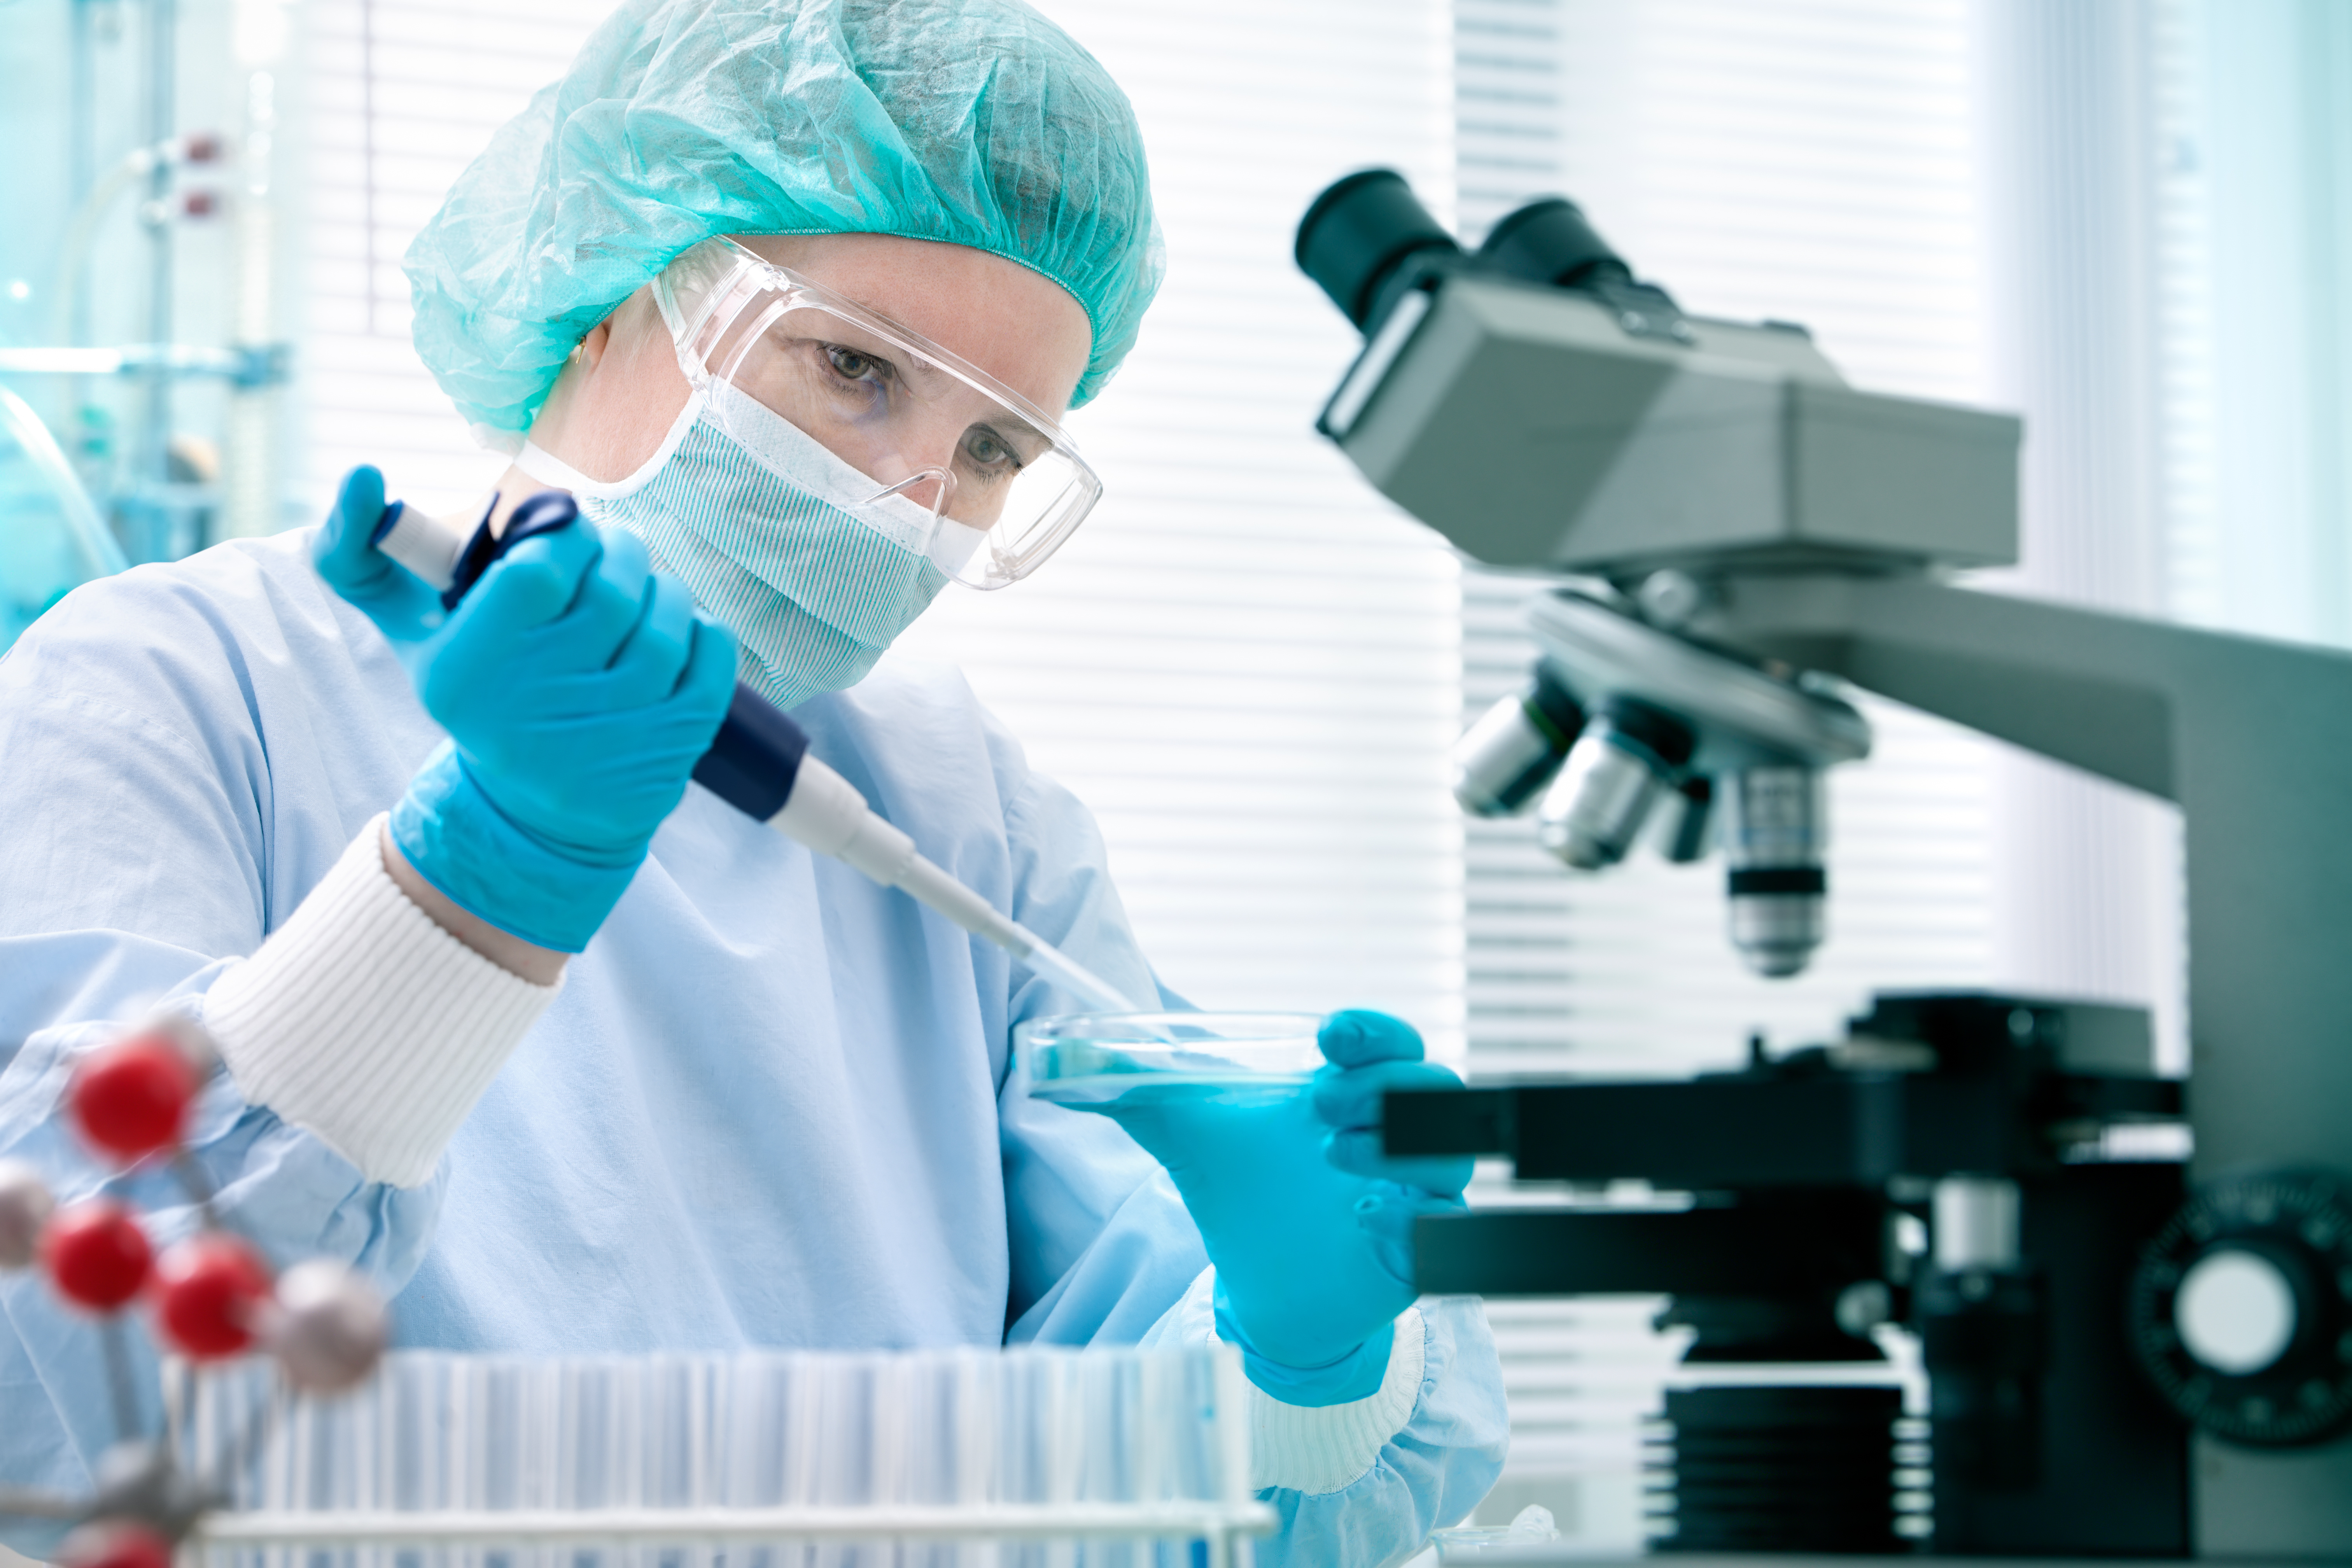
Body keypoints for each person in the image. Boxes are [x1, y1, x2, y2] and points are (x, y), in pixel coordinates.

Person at [0, 1, 1507, 1562]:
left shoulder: (961, 809)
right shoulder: (176, 688)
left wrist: (1307, 1356)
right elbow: (59, 1391)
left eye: (993, 454)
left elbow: (1164, 1497)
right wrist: (467, 890)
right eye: (852, 367)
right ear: (598, 298)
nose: (906, 502)